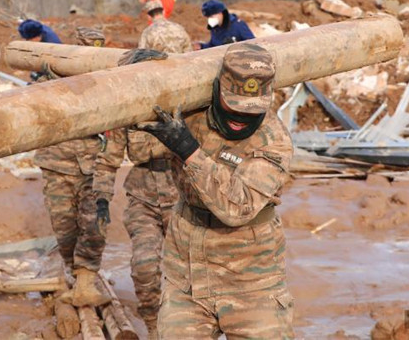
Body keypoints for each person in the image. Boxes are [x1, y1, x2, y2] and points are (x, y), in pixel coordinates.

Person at [138, 42, 295, 339]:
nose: (240, 120)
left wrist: (188, 149)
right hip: (186, 277)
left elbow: (238, 207)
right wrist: (141, 74)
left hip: (252, 283)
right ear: (216, 90)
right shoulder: (192, 113)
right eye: (233, 106)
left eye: (252, 111)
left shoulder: (274, 141)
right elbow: (133, 127)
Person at [94, 49, 178, 339]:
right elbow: (108, 159)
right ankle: (154, 328)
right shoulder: (126, 112)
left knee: (190, 268)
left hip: (182, 194)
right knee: (144, 265)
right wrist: (102, 198)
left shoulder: (183, 101)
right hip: (142, 196)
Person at [34, 27, 120, 308]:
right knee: (65, 230)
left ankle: (85, 279)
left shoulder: (109, 83)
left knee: (95, 224)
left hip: (94, 164)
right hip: (57, 163)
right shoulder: (53, 79)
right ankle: (75, 273)